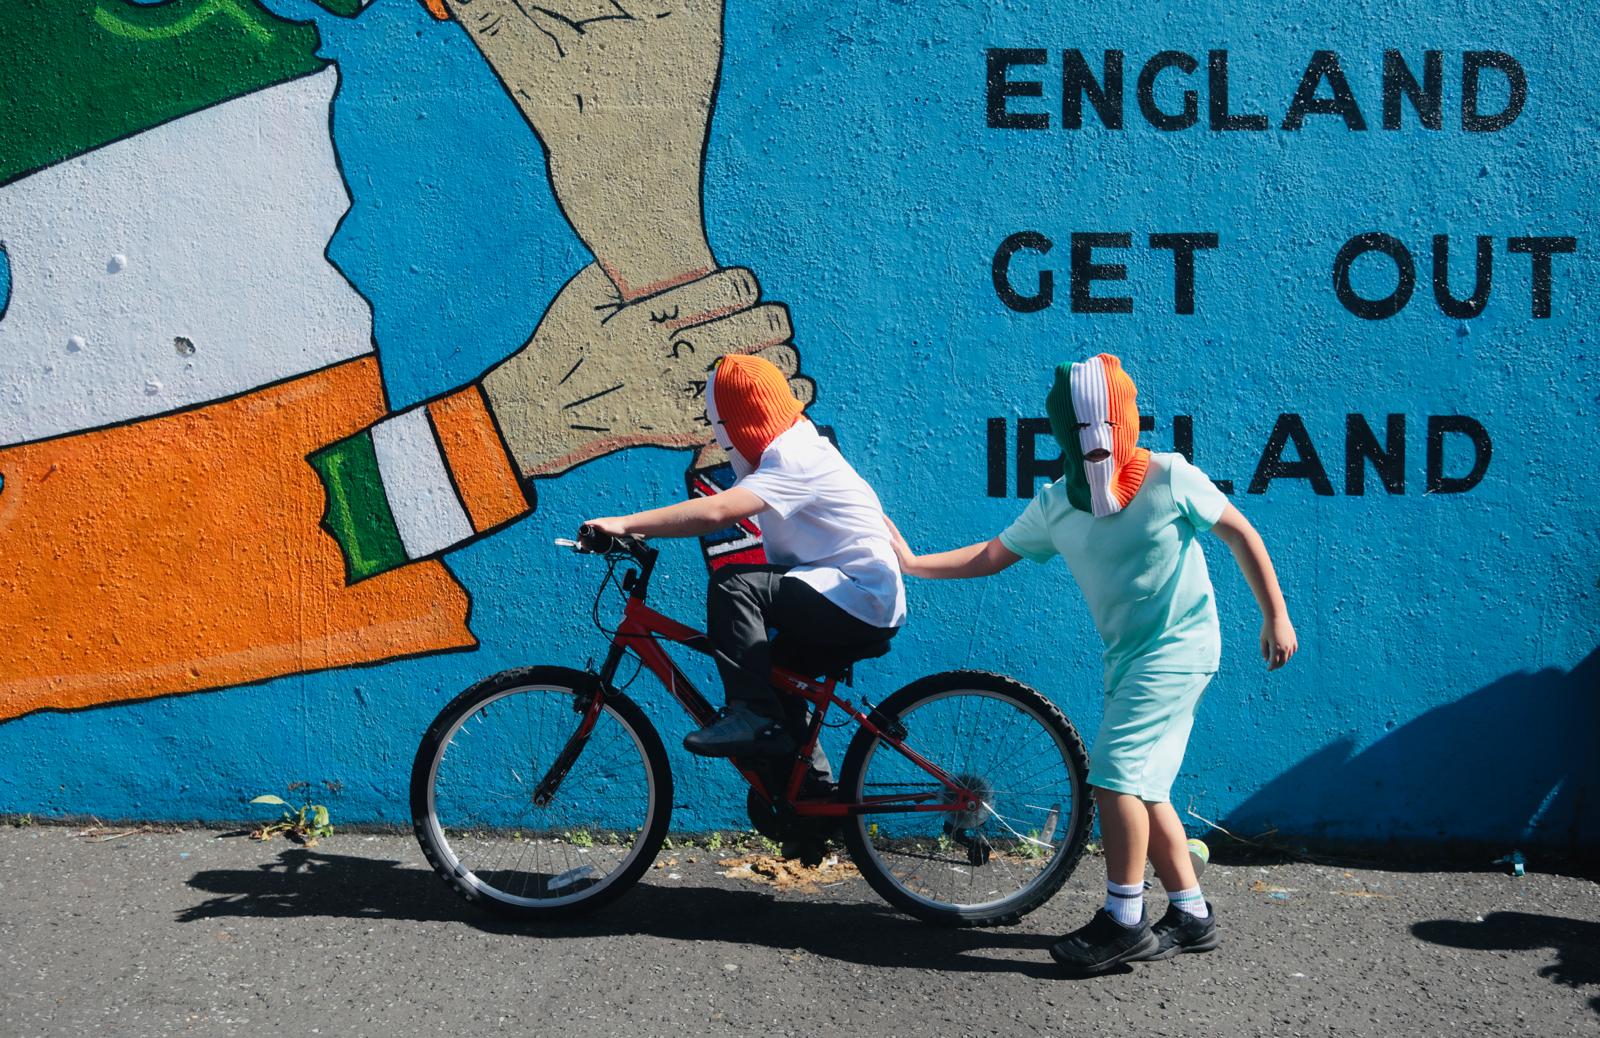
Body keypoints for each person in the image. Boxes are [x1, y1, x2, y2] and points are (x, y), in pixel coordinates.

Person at [886, 353, 1297, 974]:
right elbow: (993, 554)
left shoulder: (1170, 476)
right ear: (1062, 435)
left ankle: (1123, 919)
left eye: (1108, 424)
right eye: (1082, 432)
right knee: (1144, 784)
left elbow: (1240, 532)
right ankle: (1190, 912)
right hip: (1128, 658)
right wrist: (914, 563)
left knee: (1110, 775)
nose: (1098, 443)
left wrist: (1276, 615)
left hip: (1182, 649)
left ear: (1128, 419)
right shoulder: (1057, 505)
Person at [586, 353, 906, 768]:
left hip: (856, 599)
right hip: (852, 596)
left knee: (733, 583)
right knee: (779, 683)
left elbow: (716, 511)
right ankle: (809, 801)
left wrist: (624, 524)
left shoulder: (794, 457)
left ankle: (752, 716)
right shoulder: (801, 446)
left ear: (734, 427)